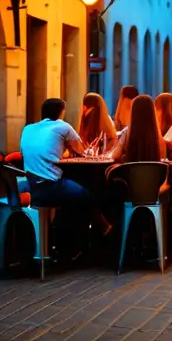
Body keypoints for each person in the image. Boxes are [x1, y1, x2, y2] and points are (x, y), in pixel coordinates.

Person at [19, 98, 111, 242]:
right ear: (61, 113)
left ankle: (58, 238)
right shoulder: (62, 126)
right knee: (87, 194)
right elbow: (81, 151)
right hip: (51, 186)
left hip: (31, 185)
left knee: (73, 192)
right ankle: (85, 237)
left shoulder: (27, 129)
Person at [111, 94, 166, 162]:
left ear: (133, 112)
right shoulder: (158, 136)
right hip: (153, 172)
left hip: (131, 172)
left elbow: (115, 156)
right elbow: (163, 159)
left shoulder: (127, 133)